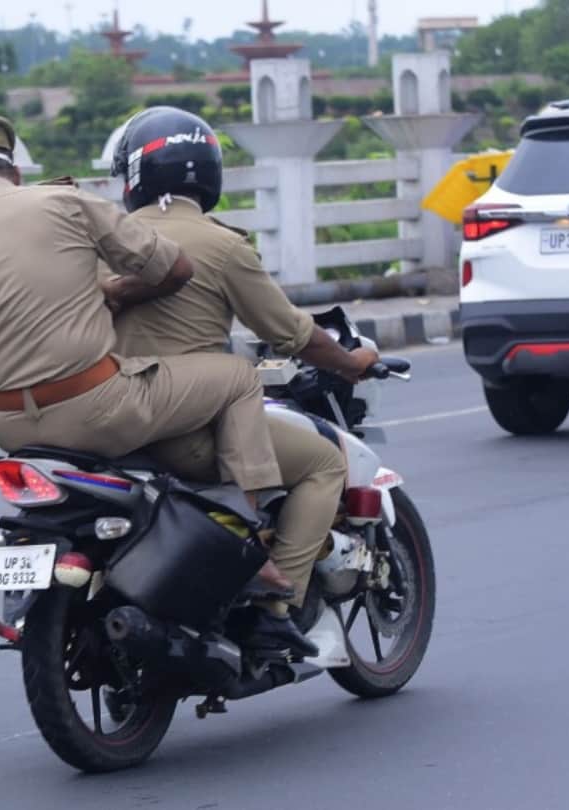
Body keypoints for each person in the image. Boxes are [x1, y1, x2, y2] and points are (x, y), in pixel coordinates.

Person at [0, 115, 282, 523]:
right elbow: (176, 270)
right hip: (95, 410)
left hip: (7, 430)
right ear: (16, 174)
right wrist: (113, 293)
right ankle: (246, 533)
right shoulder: (66, 202)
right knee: (238, 377)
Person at [103, 107, 381, 652]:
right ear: (208, 171)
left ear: (133, 176)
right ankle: (277, 606)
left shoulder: (106, 242)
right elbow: (290, 333)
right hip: (186, 433)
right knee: (326, 462)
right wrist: (352, 362)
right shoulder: (223, 245)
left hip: (107, 423)